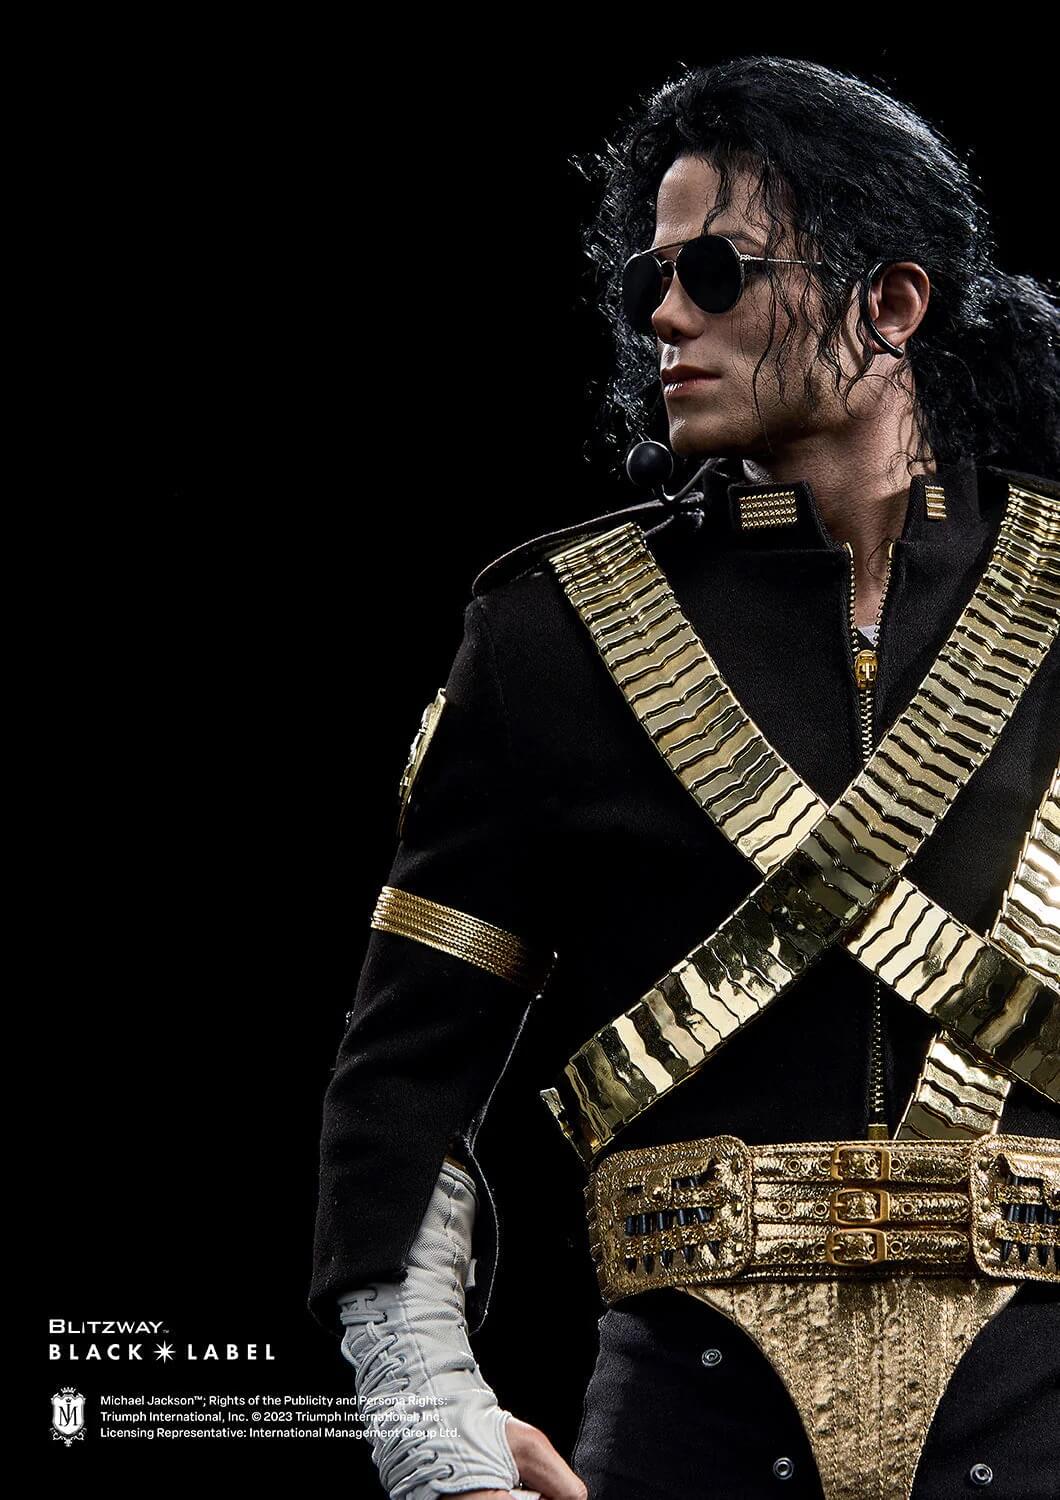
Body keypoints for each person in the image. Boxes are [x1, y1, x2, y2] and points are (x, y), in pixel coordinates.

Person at [310, 56, 1059, 1499]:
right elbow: (407, 1076)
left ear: (893, 305)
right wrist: (425, 1408)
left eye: (716, 271)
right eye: (649, 280)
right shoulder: (552, 633)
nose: (664, 314)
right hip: (686, 1428)